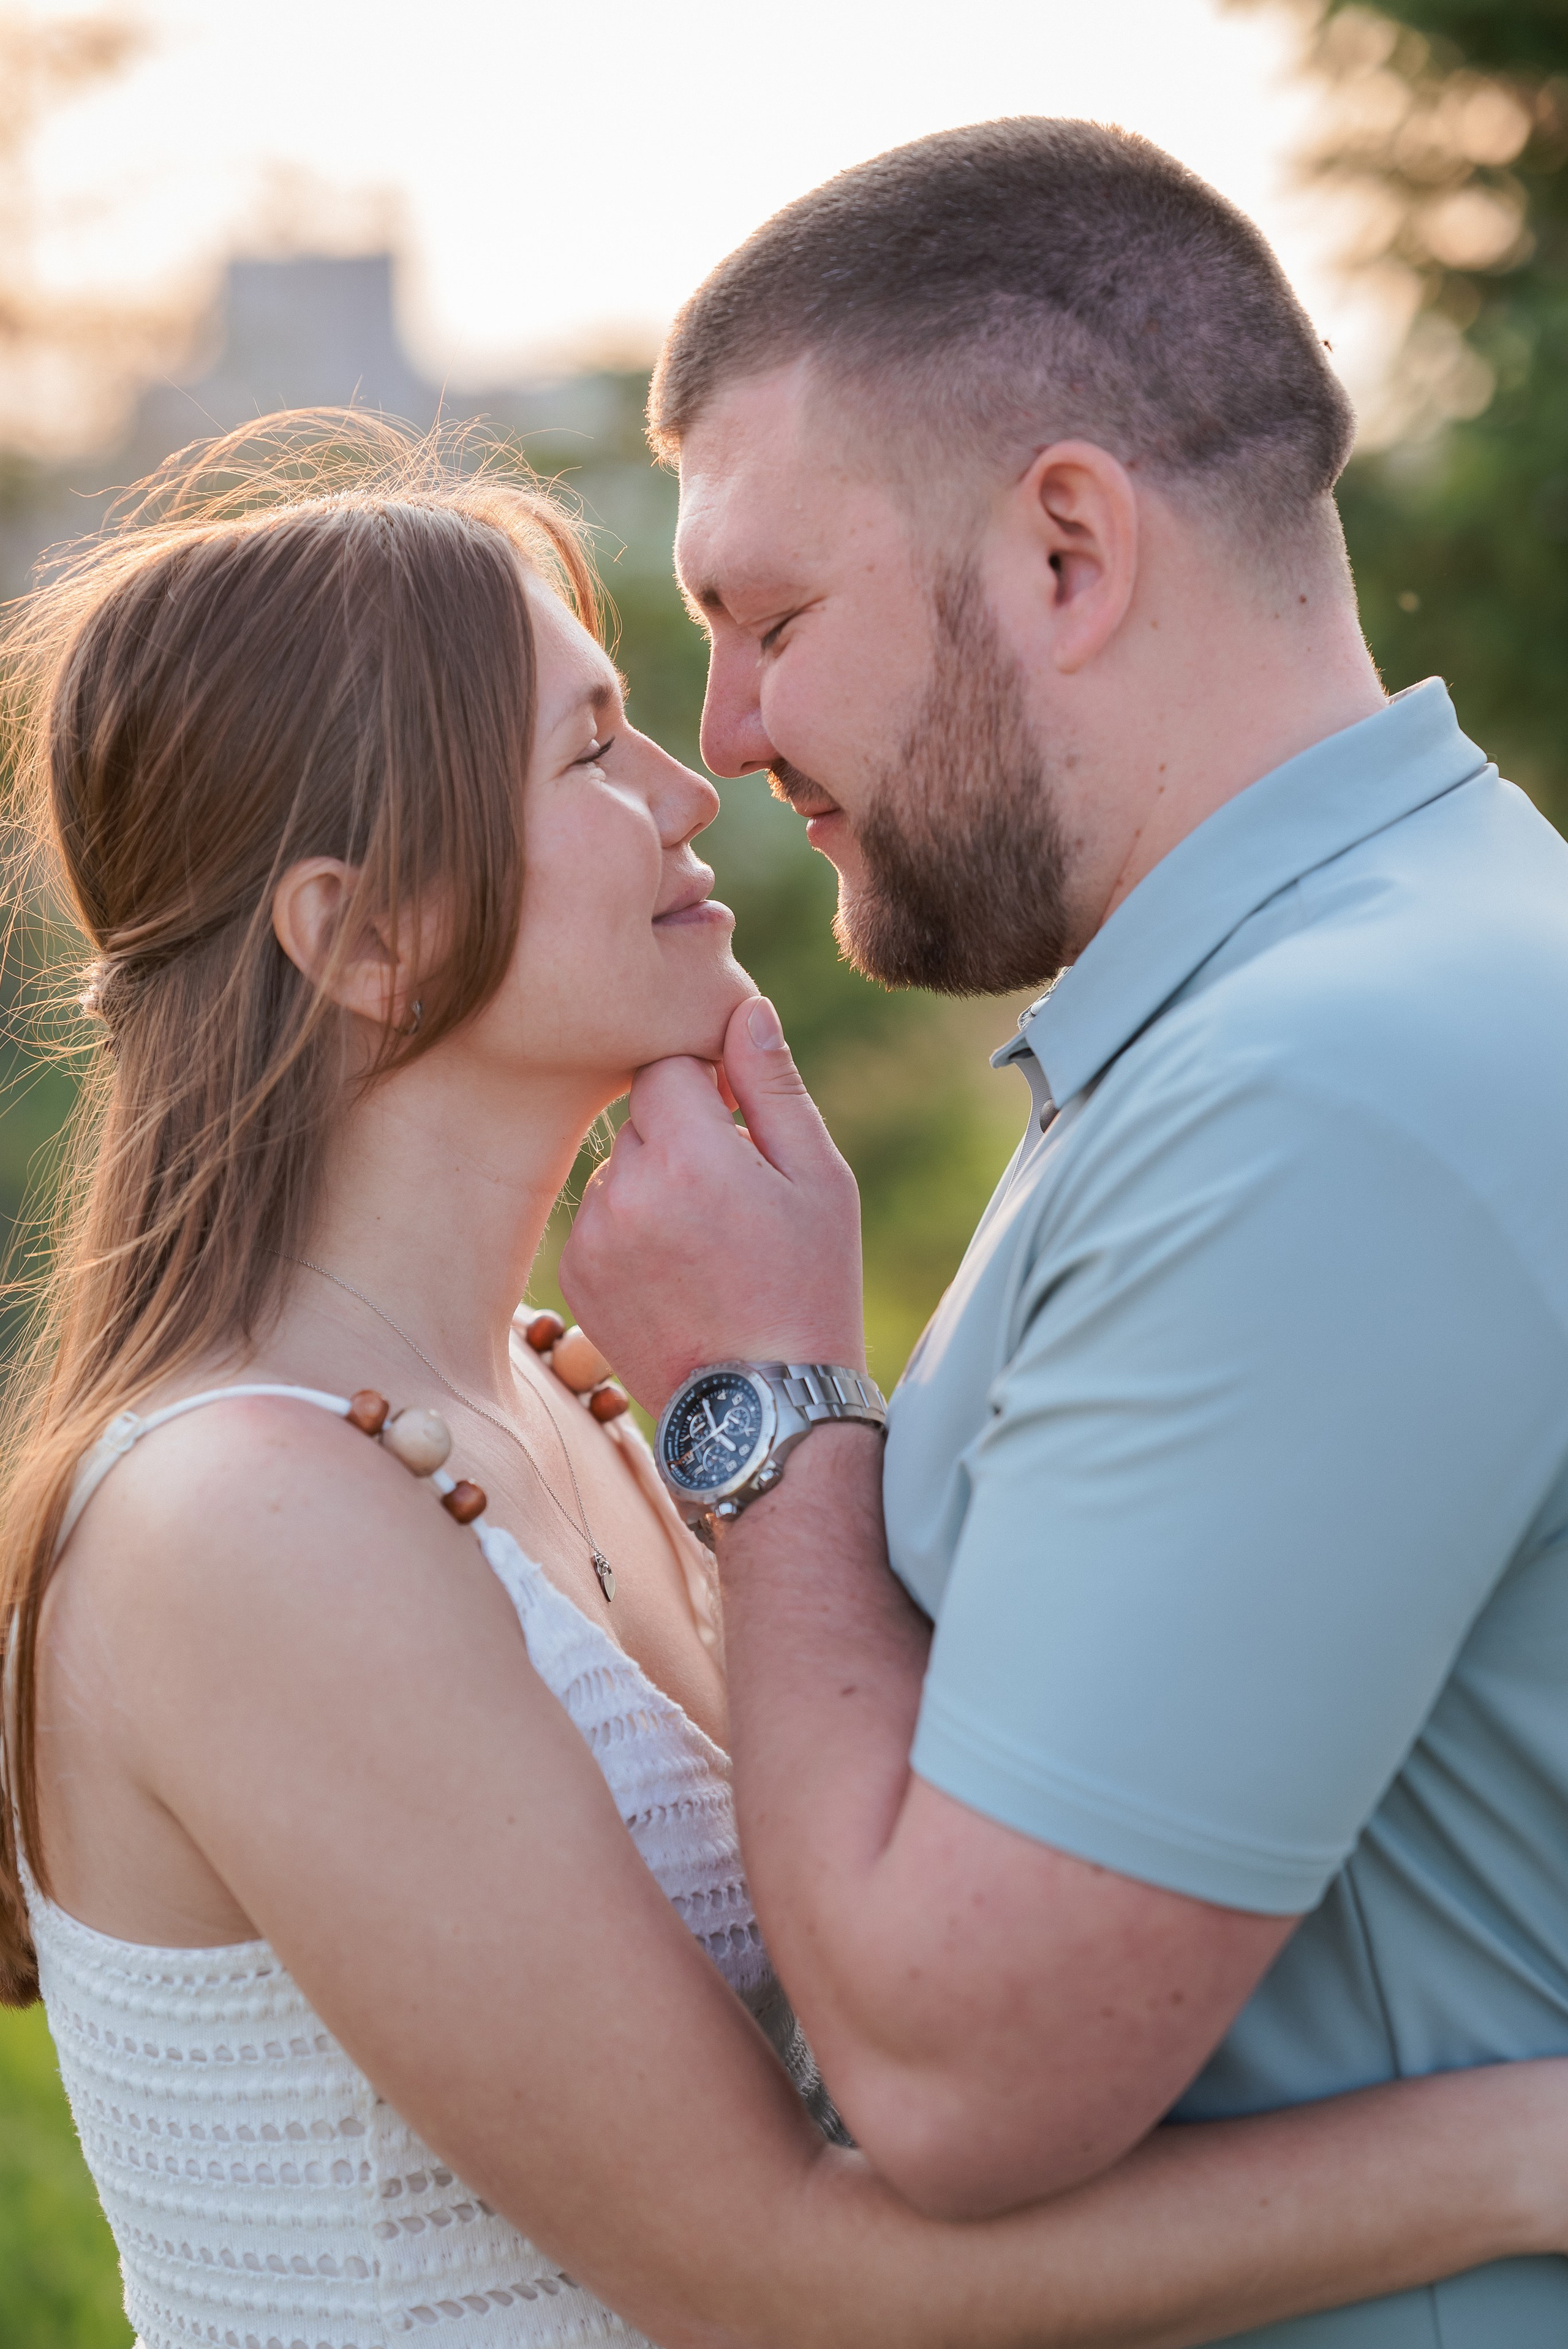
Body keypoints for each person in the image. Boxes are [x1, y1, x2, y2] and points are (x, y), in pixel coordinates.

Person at [0, 420, 1562, 2349]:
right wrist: (1514, 2148)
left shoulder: (576, 1406)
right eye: (587, 753)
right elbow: (767, 2270)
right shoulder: (241, 1520)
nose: (687, 784)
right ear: (361, 937)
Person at [559, 118, 1568, 2349]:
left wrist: (763, 1402)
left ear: (1066, 550)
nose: (725, 738)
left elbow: (955, 2077)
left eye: (773, 619)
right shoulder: (1365, 987)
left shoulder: (1325, 1097)